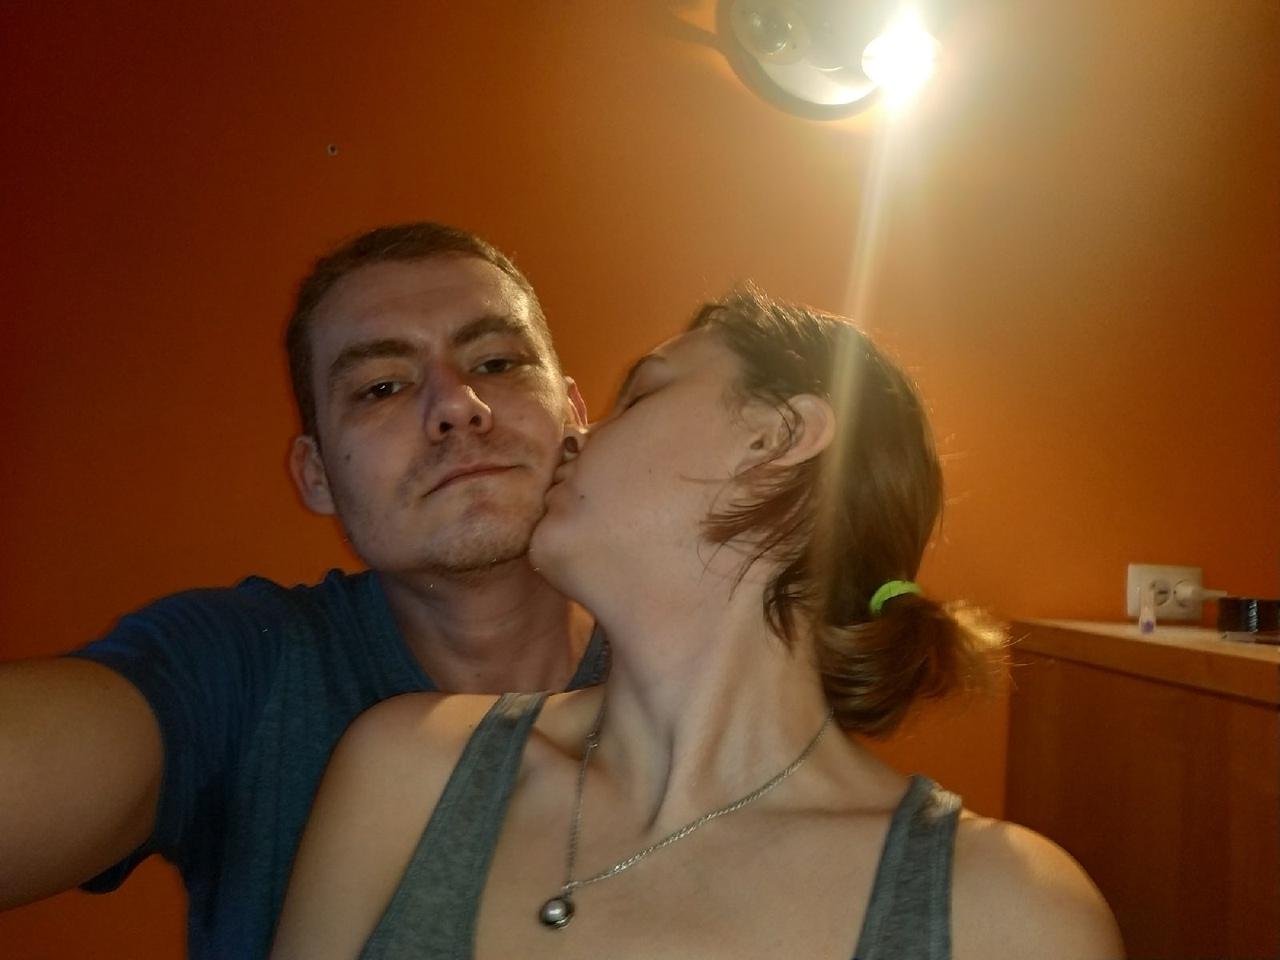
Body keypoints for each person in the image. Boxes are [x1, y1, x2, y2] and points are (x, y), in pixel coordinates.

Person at [271, 287, 1123, 960]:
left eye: (640, 394)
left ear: (777, 438)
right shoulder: (408, 771)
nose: (573, 440)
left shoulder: (1007, 912)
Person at [0, 223, 607, 958]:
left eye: (498, 362)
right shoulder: (237, 669)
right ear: (315, 474)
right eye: (383, 386)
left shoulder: (710, 665)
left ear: (574, 415)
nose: (457, 404)